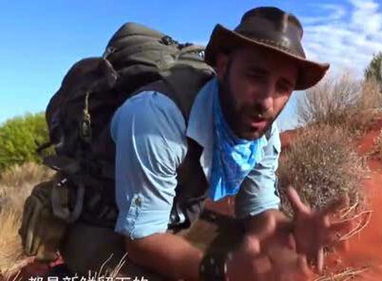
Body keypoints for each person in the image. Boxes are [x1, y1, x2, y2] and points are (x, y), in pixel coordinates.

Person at [61, 6, 349, 281]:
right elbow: (141, 239)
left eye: (282, 87)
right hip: (106, 224)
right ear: (223, 66)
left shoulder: (261, 128)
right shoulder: (156, 116)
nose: (267, 101)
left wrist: (286, 231)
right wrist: (224, 270)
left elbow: (259, 211)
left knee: (263, 258)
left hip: (176, 216)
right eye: (255, 75)